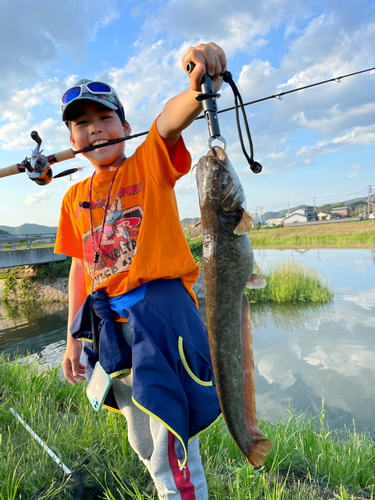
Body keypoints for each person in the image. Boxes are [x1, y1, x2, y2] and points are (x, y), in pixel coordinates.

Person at [55, 42, 227, 500]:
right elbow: (80, 267)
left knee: (172, 441)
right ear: (72, 142)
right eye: (81, 124)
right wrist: (73, 339)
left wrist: (196, 88)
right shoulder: (73, 199)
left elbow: (170, 121)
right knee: (143, 439)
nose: (95, 130)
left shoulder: (149, 162)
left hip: (163, 324)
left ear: (126, 127)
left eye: (105, 119)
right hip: (113, 331)